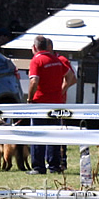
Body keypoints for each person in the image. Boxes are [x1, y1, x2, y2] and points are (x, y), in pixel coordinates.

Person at [27, 35, 68, 175]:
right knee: (53, 135)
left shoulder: (36, 60)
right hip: (56, 103)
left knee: (37, 134)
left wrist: (29, 98)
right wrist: (62, 90)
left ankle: (38, 167)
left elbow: (34, 81)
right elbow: (69, 76)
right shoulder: (57, 60)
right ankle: (54, 165)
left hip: (40, 103)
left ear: (34, 47)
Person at [47, 37, 77, 171]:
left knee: (59, 132)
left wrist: (61, 91)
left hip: (59, 104)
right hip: (47, 102)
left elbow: (72, 78)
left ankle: (61, 161)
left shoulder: (61, 60)